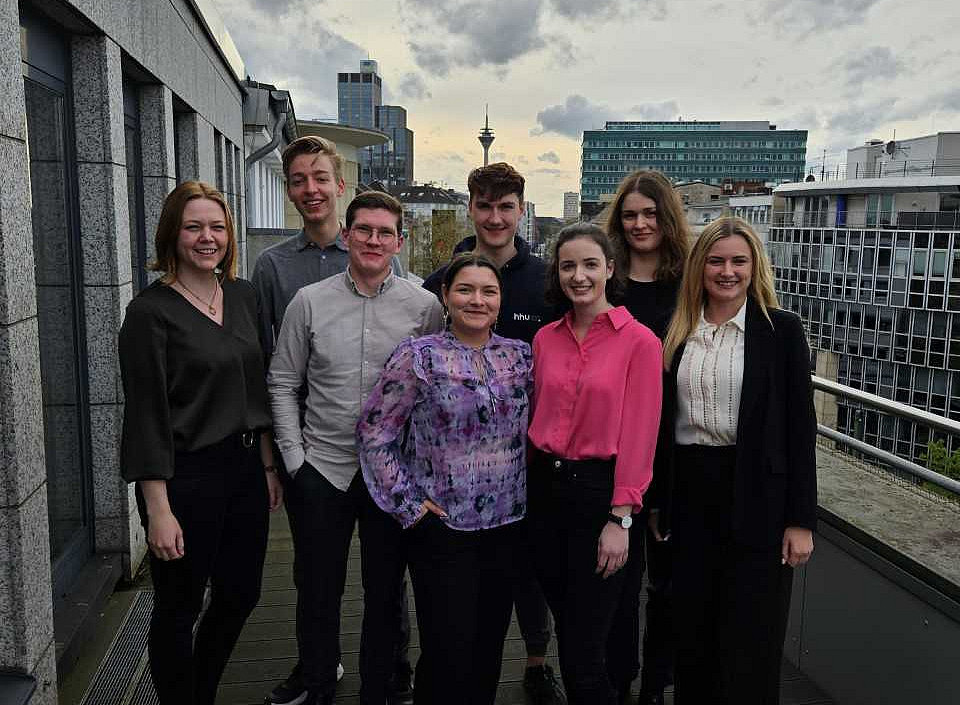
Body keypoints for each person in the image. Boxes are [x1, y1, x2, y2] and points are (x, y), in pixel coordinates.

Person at [253, 136, 414, 705]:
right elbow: (280, 379)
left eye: (384, 232)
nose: (373, 240)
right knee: (316, 589)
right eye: (363, 231)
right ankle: (318, 683)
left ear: (399, 241)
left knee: (385, 591)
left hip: (388, 474)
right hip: (321, 467)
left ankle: (383, 686)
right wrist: (292, 461)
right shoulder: (306, 298)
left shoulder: (422, 306)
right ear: (348, 235)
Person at [119, 181, 283, 705]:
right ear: (173, 234)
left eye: (217, 227)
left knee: (241, 594)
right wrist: (158, 509)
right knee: (179, 604)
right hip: (185, 478)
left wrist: (267, 466)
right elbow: (146, 415)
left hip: (244, 472)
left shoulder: (241, 295)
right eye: (194, 227)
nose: (207, 238)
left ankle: (200, 690)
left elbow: (253, 386)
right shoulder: (150, 312)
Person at [358, 253, 532, 705]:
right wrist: (410, 506)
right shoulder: (419, 357)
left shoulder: (520, 357)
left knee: (489, 646)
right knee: (446, 648)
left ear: (500, 300)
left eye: (488, 291)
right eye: (466, 290)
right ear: (446, 297)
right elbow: (375, 434)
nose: (477, 300)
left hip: (507, 525)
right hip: (442, 529)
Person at [659, 217, 817, 705]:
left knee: (752, 637)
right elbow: (662, 425)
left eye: (738, 261)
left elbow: (799, 429)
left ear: (754, 267)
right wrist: (656, 503)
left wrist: (800, 520)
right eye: (716, 260)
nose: (727, 271)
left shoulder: (780, 331)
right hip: (689, 494)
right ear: (699, 266)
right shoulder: (678, 328)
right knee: (693, 632)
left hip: (757, 496)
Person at [423, 162, 563, 705]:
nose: (495, 217)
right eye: (485, 206)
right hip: (457, 476)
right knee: (458, 602)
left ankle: (535, 661)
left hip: (530, 460)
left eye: (506, 207)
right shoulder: (445, 277)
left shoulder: (545, 277)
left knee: (528, 576)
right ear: (471, 209)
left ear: (521, 210)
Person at [527, 223, 662, 705]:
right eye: (567, 266)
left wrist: (620, 517)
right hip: (544, 493)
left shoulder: (640, 342)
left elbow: (640, 435)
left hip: (598, 497)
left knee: (586, 652)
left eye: (589, 264)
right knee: (569, 630)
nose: (578, 276)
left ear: (610, 268)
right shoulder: (545, 338)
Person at [602, 170, 690, 705]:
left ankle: (656, 684)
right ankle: (618, 680)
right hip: (613, 450)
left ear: (667, 219)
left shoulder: (689, 284)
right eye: (631, 215)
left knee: (668, 583)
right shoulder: (604, 281)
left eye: (650, 214)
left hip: (675, 450)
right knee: (616, 582)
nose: (639, 224)